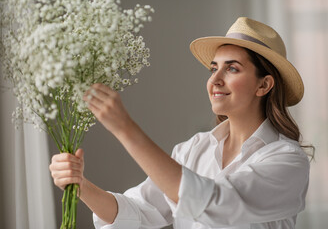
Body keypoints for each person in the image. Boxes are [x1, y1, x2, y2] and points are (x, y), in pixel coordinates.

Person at [49, 17, 313, 229]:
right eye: (213, 69)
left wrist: (124, 128)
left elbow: (213, 202)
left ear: (264, 84)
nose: (215, 80)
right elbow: (139, 212)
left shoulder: (286, 161)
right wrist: (80, 184)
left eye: (232, 68)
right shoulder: (193, 149)